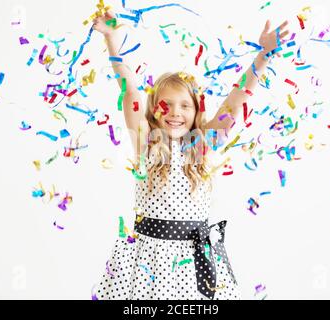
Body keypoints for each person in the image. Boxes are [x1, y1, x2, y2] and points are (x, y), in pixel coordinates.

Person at [93, 9, 289, 300]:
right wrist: (111, 37)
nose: (175, 112)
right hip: (148, 259)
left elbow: (235, 104)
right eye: (166, 105)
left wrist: (263, 57)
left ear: (197, 111)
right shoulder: (146, 142)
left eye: (185, 105)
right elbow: (130, 90)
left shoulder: (202, 146)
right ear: (153, 110)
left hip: (195, 260)